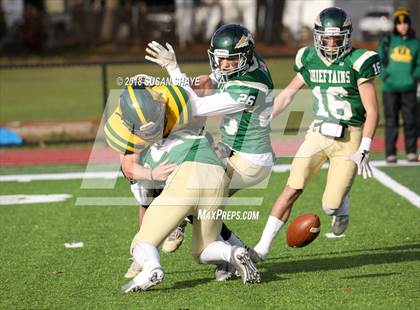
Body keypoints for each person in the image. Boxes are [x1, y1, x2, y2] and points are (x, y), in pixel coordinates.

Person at [145, 23, 275, 280]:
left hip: (249, 161)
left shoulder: (249, 88)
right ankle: (233, 256)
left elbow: (191, 106)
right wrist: (208, 78)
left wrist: (172, 69)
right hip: (236, 152)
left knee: (196, 193)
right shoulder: (249, 64)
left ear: (246, 56)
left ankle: (227, 253)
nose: (224, 65)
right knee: (203, 203)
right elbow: (215, 79)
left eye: (231, 60)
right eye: (221, 59)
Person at [251, 7, 380, 260]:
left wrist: (365, 146)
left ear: (347, 36)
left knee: (329, 205)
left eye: (336, 37)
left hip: (349, 137)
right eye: (326, 37)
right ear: (317, 36)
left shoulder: (359, 61)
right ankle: (262, 248)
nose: (331, 43)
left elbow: (372, 110)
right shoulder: (308, 58)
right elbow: (288, 94)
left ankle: (341, 207)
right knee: (292, 188)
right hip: (318, 133)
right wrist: (263, 121)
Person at [120, 127, 261, 292]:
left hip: (184, 184)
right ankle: (232, 252)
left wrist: (145, 249)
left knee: (141, 241)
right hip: (217, 177)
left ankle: (151, 267)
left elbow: (141, 195)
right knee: (204, 248)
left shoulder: (144, 157)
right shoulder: (191, 130)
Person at [377, 7, 420, 163]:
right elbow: (378, 60)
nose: (403, 26)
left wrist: (413, 77)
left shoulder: (416, 43)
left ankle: (411, 151)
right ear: (395, 25)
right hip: (390, 89)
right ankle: (390, 153)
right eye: (399, 23)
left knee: (410, 120)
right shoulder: (387, 41)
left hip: (409, 88)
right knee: (391, 121)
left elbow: (419, 64)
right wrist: (385, 75)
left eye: (405, 23)